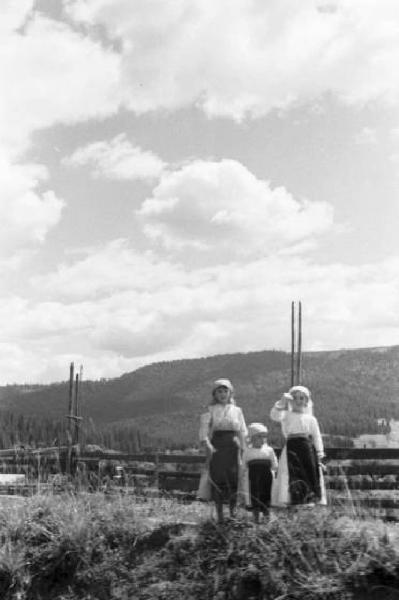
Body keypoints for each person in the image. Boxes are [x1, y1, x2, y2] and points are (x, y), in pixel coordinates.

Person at [199, 378, 248, 523]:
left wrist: (244, 449)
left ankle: (233, 513)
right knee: (218, 478)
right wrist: (207, 443)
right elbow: (204, 430)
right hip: (217, 446)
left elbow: (242, 431)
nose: (222, 394)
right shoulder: (210, 410)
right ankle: (220, 514)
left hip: (234, 446)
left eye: (225, 390)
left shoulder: (237, 411)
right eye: (219, 391)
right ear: (214, 394)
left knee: (233, 478)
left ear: (230, 393)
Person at [270, 385, 326, 507]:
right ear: (291, 400)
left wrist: (319, 452)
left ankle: (308, 501)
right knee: (290, 473)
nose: (299, 401)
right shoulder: (286, 415)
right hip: (291, 448)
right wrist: (282, 402)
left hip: (307, 450)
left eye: (302, 398)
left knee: (308, 473)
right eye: (295, 398)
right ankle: (291, 500)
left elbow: (316, 436)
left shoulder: (311, 419)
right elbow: (274, 416)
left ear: (307, 401)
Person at [241, 422, 278, 523]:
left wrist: (275, 470)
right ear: (252, 438)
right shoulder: (248, 451)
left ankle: (267, 519)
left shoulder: (269, 450)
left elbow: (274, 464)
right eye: (259, 437)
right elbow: (243, 466)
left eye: (264, 437)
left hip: (266, 478)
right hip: (253, 479)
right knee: (255, 497)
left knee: (266, 496)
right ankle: (256, 519)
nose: (263, 439)